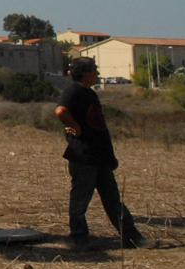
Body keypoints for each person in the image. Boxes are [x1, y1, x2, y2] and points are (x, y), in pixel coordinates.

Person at [53, 57, 146, 250]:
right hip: (83, 157)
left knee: (113, 201)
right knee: (80, 202)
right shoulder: (73, 92)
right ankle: (79, 239)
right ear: (85, 73)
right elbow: (61, 111)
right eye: (94, 70)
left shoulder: (89, 94)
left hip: (99, 157)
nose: (97, 73)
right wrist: (74, 125)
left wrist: (109, 156)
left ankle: (132, 238)